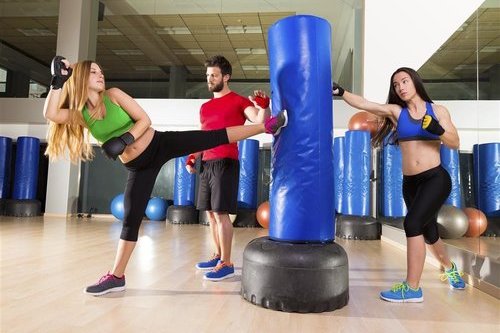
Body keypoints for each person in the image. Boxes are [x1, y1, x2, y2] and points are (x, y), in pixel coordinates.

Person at [43, 56, 288, 296]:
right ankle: (116, 277)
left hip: (159, 143)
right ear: (82, 78)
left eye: (100, 70)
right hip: (138, 167)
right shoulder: (81, 115)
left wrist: (124, 139)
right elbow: (52, 114)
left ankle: (266, 127)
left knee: (209, 136)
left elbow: (144, 119)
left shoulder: (114, 95)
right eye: (94, 72)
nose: (101, 74)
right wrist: (57, 81)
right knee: (131, 218)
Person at [332, 67, 466, 303]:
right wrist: (341, 91)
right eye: (396, 85)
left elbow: (454, 143)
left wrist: (438, 130)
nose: (401, 87)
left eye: (405, 81)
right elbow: (365, 104)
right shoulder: (396, 112)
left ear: (415, 82)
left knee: (412, 223)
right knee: (429, 231)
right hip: (410, 183)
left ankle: (412, 288)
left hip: (435, 178)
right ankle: (449, 266)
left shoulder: (438, 111)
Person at [186, 55, 271, 281]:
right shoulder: (204, 107)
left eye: (213, 75)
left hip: (226, 162)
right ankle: (217, 255)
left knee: (221, 214)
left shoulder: (238, 101)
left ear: (226, 77)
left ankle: (227, 262)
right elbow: (202, 136)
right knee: (211, 215)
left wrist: (263, 106)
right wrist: (193, 156)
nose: (209, 79)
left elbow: (258, 120)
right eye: (207, 76)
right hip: (207, 163)